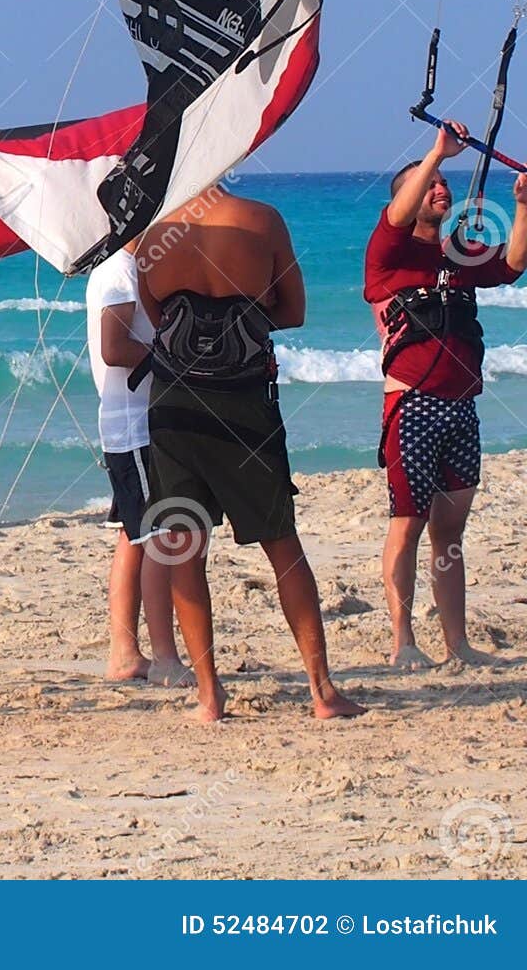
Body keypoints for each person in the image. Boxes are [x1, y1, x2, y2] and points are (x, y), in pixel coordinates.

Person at [135, 187, 363, 722]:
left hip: (175, 404)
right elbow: (294, 311)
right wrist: (241, 317)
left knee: (182, 544)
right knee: (282, 541)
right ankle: (322, 690)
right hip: (243, 404)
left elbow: (157, 319)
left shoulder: (152, 232)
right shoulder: (263, 220)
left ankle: (210, 696)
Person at [365, 121, 527, 667]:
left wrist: (523, 203)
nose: (440, 187)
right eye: (428, 183)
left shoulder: (458, 254)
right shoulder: (389, 252)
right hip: (411, 404)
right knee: (407, 523)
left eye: (442, 182)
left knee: (450, 530)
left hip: (462, 408)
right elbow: (395, 214)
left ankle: (457, 644)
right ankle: (403, 642)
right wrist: (436, 153)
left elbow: (512, 265)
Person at [85, 241, 188, 685]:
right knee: (160, 535)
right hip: (134, 425)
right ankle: (164, 655)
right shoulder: (119, 271)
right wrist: (177, 360)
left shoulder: (133, 267)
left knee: (136, 535)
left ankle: (125, 652)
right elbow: (114, 347)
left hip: (138, 423)